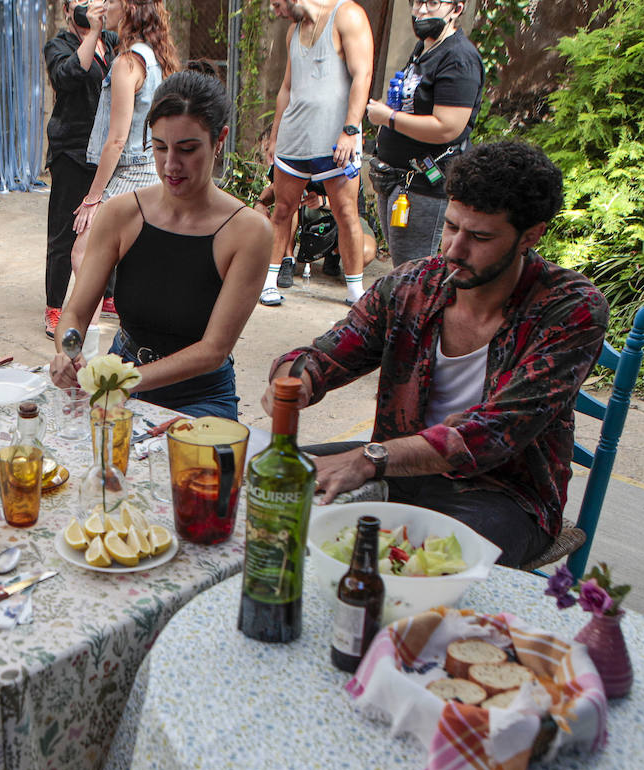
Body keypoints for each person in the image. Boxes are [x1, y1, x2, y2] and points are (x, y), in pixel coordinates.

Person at [261, 142, 609, 568]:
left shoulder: (570, 309)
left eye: (479, 237)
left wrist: (373, 459)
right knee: (263, 488)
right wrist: (297, 377)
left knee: (420, 567)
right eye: (450, 227)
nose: (454, 250)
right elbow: (331, 352)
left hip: (503, 493)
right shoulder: (413, 285)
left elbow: (492, 434)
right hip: (397, 468)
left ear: (530, 236)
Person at [51, 71, 272, 420]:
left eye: (187, 149)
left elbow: (213, 350)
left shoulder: (248, 232)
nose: (171, 165)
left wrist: (123, 382)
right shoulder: (121, 213)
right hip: (120, 377)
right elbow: (76, 313)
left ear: (219, 140)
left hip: (200, 395)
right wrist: (69, 349)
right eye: (159, 147)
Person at [256, 0, 373, 307]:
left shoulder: (347, 15)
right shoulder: (294, 29)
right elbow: (287, 86)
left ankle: (355, 292)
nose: (275, 11)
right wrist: (275, 134)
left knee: (346, 212)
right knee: (283, 209)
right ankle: (269, 283)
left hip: (335, 139)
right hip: (296, 137)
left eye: (278, 3)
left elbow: (363, 74)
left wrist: (350, 129)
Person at [69, 0, 180, 317]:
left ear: (130, 9)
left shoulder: (128, 63)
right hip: (152, 171)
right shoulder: (155, 56)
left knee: (82, 252)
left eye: (112, 1)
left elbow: (116, 140)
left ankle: (84, 345)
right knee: (137, 259)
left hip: (132, 172)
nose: (104, 5)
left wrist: (93, 197)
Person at [365, 0, 484, 266]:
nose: (421, 10)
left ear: (456, 9)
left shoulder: (459, 58)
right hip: (399, 180)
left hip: (426, 185)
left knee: (415, 273)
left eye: (432, 3)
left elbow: (448, 127)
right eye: (417, 2)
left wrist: (390, 118)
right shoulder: (425, 48)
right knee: (403, 270)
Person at [43, 0, 119, 339]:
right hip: (72, 150)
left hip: (105, 152)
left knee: (109, 225)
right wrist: (91, 32)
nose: (87, 6)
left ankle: (109, 294)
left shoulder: (113, 42)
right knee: (65, 232)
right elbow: (69, 75)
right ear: (66, 10)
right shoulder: (59, 45)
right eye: (77, 2)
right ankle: (55, 306)